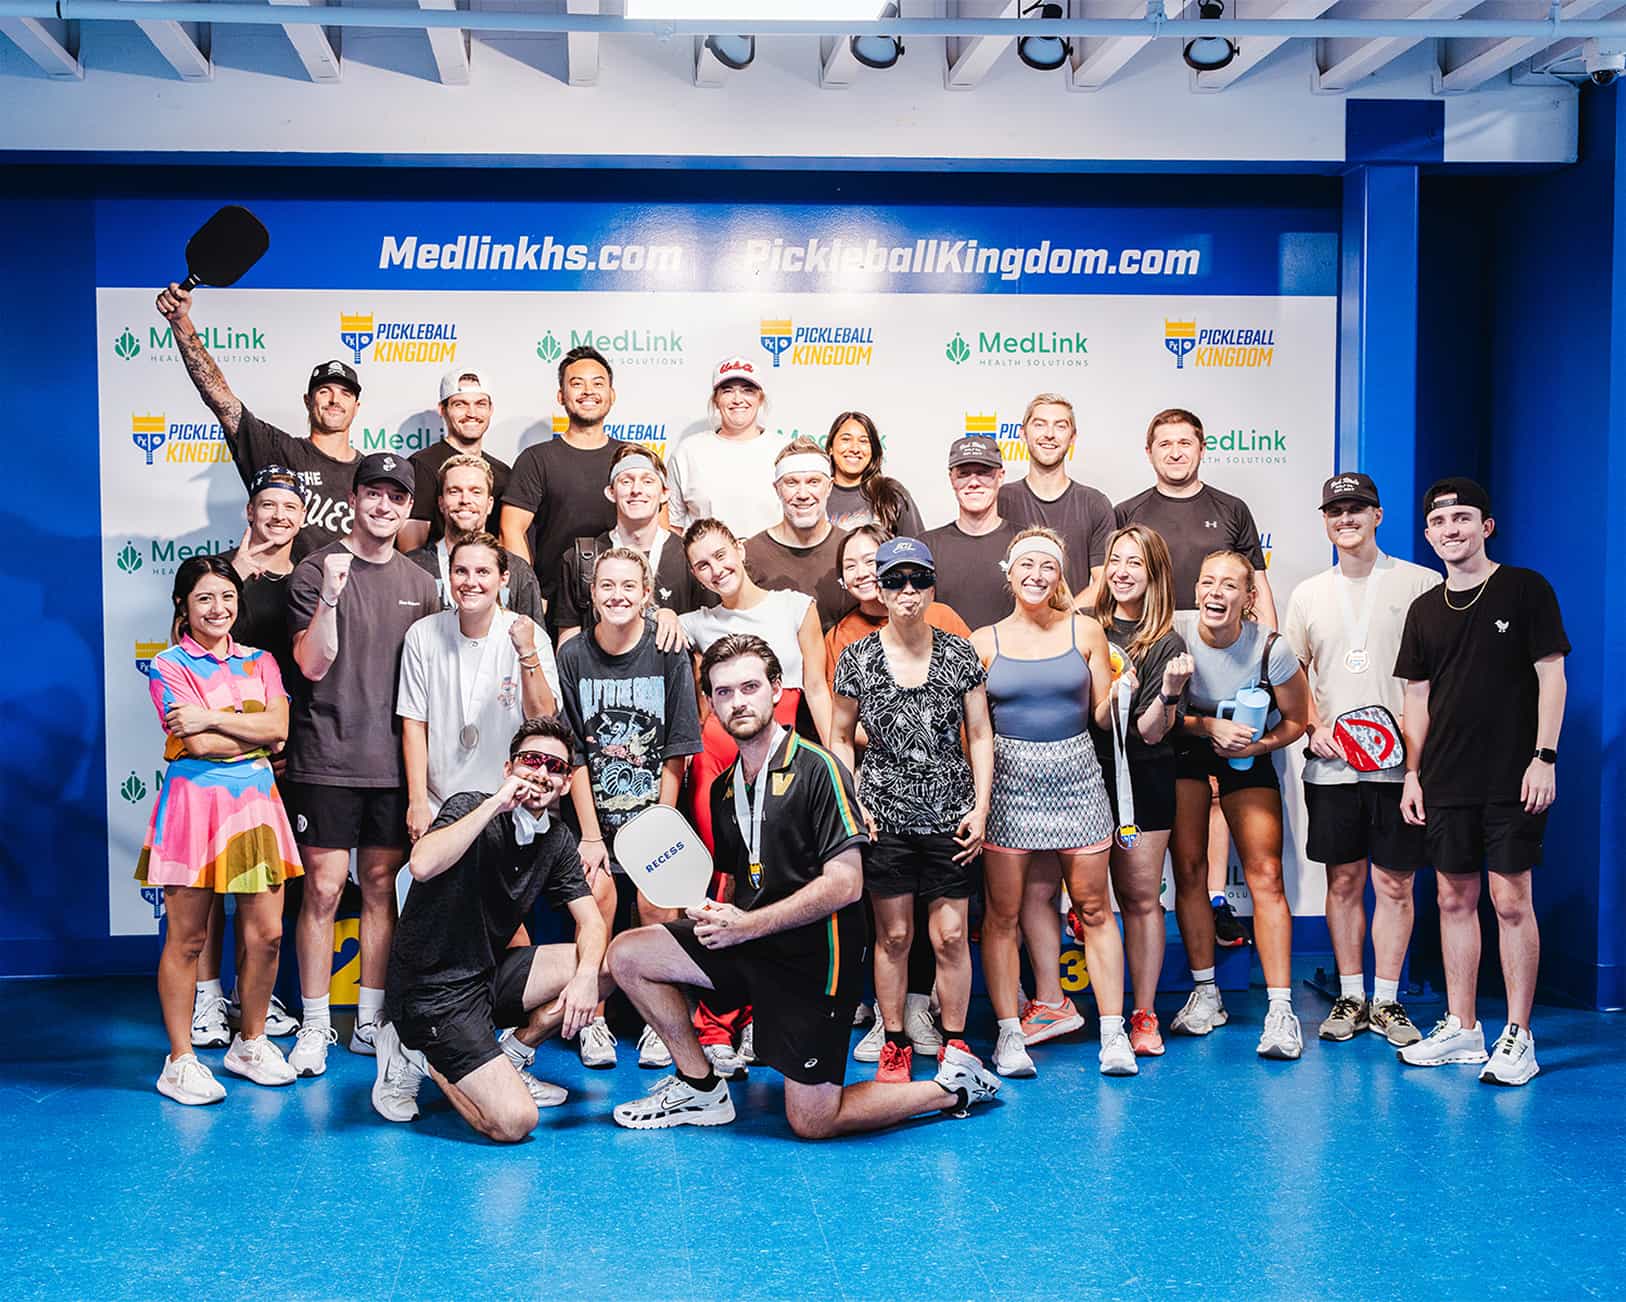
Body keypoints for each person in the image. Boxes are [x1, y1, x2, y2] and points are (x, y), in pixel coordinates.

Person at [607, 634, 1000, 1135]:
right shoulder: (726, 788)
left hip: (815, 964)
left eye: (750, 687)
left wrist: (746, 925)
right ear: (710, 703)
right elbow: (742, 880)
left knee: (813, 1121)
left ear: (776, 690)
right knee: (629, 955)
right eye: (723, 692)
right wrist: (720, 916)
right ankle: (700, 1089)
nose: (738, 701)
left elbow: (846, 885)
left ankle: (953, 1086)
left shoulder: (820, 769)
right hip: (750, 942)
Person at [1394, 478, 1568, 1086]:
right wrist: (1412, 773)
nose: (1452, 530)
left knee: (1510, 900)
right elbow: (1417, 700)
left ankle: (1519, 1035)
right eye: (1440, 522)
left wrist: (1544, 756)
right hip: (1444, 778)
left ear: (1486, 526)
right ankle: (1464, 1026)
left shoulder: (1524, 589)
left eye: (1463, 518)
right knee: (1451, 899)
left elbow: (1553, 678)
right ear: (1427, 534)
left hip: (1514, 778)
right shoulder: (1423, 610)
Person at [370, 717, 610, 1140]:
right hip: (431, 994)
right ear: (508, 769)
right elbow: (422, 865)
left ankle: (514, 1054)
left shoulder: (555, 839)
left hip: (487, 976)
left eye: (554, 767)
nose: (540, 772)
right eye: (530, 760)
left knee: (611, 964)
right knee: (515, 1122)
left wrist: (588, 976)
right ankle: (415, 1051)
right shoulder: (469, 806)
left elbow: (590, 920)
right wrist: (495, 805)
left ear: (566, 783)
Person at [283, 452, 438, 1077]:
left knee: (380, 889)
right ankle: (317, 1026)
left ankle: (370, 1023)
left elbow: (428, 682)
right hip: (324, 758)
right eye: (373, 493)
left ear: (407, 508)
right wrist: (330, 597)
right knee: (321, 890)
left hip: (393, 765)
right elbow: (312, 665)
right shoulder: (314, 569)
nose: (384, 506)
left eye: (396, 498)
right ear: (353, 498)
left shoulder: (423, 584)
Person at [1282, 473, 1440, 1047]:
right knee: (1343, 880)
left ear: (1378, 515)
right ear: (1325, 520)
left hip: (1401, 769)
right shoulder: (1307, 594)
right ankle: (1350, 994)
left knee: (1395, 884)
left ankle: (1389, 1001)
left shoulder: (1422, 583)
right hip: (1331, 766)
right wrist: (1312, 726)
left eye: (1356, 509)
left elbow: (1436, 676)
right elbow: (1291, 675)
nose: (1345, 519)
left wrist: (1418, 744)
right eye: (1335, 511)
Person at [139, 556, 302, 1104]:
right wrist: (247, 733)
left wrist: (209, 717)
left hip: (256, 805)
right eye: (206, 598)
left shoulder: (262, 661)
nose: (219, 609)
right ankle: (180, 1060)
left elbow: (280, 728)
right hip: (193, 805)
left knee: (268, 934)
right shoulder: (167, 665)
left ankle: (250, 1042)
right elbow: (201, 746)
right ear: (184, 606)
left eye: (227, 598)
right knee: (187, 938)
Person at [831, 538, 994, 1082]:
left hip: (951, 814)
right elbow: (838, 738)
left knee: (949, 936)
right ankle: (895, 1038)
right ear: (879, 586)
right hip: (884, 817)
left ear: (931, 587)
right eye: (895, 580)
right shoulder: (856, 657)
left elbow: (979, 734)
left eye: (918, 581)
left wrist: (981, 805)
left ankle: (954, 1042)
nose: (907, 592)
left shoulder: (958, 653)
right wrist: (853, 808)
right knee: (894, 937)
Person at [970, 529, 1131, 1077]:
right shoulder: (982, 642)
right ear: (1008, 573)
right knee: (1003, 914)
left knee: (1093, 908)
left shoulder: (1085, 630)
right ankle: (1010, 1036)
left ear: (1060, 575)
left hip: (1078, 777)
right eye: (1026, 565)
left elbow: (1101, 717)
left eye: (1048, 565)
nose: (1036, 574)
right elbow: (973, 731)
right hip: (1009, 784)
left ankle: (1114, 1035)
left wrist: (1123, 693)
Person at [1116, 408, 1278, 947]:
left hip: (1224, 655)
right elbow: (1116, 581)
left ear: (1202, 447)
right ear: (1149, 451)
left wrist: (1269, 661)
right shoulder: (1128, 510)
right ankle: (1159, 902)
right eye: (1165, 443)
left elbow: (1257, 585)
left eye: (1185, 442)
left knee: (1218, 791)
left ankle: (1214, 898)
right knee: (1171, 775)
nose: (1176, 451)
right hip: (1160, 652)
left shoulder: (1230, 509)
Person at [680, 518, 834, 1072]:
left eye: (722, 555)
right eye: (702, 564)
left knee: (772, 881)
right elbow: (697, 706)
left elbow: (816, 687)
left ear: (740, 548)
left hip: (780, 754)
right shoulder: (691, 623)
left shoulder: (795, 606)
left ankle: (760, 1018)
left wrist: (839, 762)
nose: (716, 569)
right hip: (716, 760)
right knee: (721, 880)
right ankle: (715, 1019)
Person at [556, 547, 704, 1070]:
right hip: (593, 817)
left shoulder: (668, 653)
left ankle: (659, 1023)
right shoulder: (572, 657)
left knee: (657, 908)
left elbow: (677, 750)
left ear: (646, 594)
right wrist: (591, 836)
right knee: (594, 897)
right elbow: (572, 753)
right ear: (592, 595)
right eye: (606, 586)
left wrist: (659, 834)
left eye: (628, 586)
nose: (617, 596)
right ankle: (591, 1020)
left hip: (652, 813)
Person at [1169, 551, 1310, 1059]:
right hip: (1186, 749)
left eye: (1230, 585)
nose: (1215, 593)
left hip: (1247, 758)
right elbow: (1159, 714)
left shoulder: (1271, 648)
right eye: (1207, 582)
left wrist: (1257, 747)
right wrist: (1208, 727)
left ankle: (1279, 1010)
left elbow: (1296, 720)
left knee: (1266, 875)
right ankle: (1207, 995)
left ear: (1249, 599)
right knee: (1188, 872)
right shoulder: (1174, 632)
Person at [189, 465, 308, 1050]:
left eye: (289, 507)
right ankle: (206, 1000)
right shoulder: (221, 578)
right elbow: (192, 676)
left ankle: (249, 999)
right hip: (232, 755)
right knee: (210, 882)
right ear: (250, 512)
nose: (278, 517)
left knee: (264, 885)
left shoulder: (311, 572)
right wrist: (253, 739)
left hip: (293, 746)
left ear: (304, 516)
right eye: (267, 505)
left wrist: (280, 740)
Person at [155, 282, 361, 558]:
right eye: (324, 391)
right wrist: (181, 323)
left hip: (346, 600)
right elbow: (220, 399)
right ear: (308, 401)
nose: (335, 400)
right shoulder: (277, 451)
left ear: (356, 406)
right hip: (279, 596)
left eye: (345, 393)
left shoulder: (370, 475)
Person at [1091, 524, 1194, 1057]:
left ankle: (1145, 1012)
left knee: (1139, 899)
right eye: (1116, 561)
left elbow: (1152, 731)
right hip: (1083, 781)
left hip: (1144, 785)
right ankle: (1086, 1009)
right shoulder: (1086, 629)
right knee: (1089, 901)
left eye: (1135, 563)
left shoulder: (1166, 643)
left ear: (1154, 574)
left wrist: (1170, 694)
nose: (1123, 571)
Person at [398, 531, 560, 841]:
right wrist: (417, 802)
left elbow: (543, 719)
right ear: (449, 576)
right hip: (440, 804)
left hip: (511, 801)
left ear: (504, 578)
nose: (470, 581)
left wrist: (527, 652)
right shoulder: (423, 635)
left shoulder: (529, 633)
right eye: (461, 571)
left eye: (483, 571)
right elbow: (413, 725)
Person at [501, 346, 627, 631]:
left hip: (624, 602)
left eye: (598, 383)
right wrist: (530, 596)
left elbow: (659, 532)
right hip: (553, 607)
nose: (588, 391)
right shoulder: (536, 459)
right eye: (576, 383)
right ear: (561, 396)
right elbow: (512, 530)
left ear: (612, 394)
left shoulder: (632, 459)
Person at [555, 445, 705, 644]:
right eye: (626, 481)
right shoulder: (581, 559)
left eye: (648, 481)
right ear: (611, 492)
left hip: (670, 672)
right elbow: (568, 643)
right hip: (600, 672)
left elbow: (705, 640)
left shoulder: (690, 555)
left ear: (665, 493)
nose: (636, 490)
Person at [996, 394, 1115, 603]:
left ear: (1073, 437)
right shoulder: (1000, 500)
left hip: (1070, 631)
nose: (1049, 434)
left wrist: (1063, 621)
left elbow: (1103, 581)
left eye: (1060, 426)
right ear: (1023, 434)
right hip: (1009, 629)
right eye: (1040, 425)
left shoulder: (1095, 504)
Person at [405, 454, 544, 623]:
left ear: (490, 504)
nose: (465, 500)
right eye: (454, 491)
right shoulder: (412, 567)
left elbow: (536, 641)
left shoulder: (517, 570)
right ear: (441, 503)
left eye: (476, 492)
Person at [398, 367, 512, 555]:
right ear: (442, 409)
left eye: (480, 404)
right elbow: (412, 554)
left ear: (491, 409)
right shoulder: (421, 466)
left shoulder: (503, 473)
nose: (472, 413)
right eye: (460, 404)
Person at [667, 357, 785, 539]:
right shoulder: (688, 452)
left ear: (760, 398)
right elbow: (674, 526)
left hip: (772, 564)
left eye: (748, 391)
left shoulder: (783, 450)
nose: (738, 399)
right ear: (716, 399)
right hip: (706, 565)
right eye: (728, 391)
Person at [743, 438, 853, 631]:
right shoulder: (750, 555)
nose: (803, 494)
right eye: (791, 483)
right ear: (777, 489)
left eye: (813, 482)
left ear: (829, 487)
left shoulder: (853, 548)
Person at [922, 435, 1019, 631]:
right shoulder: (926, 546)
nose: (973, 482)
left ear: (1000, 476)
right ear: (952, 478)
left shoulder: (1025, 543)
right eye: (964, 474)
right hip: (946, 660)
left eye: (983, 473)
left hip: (1014, 659)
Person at [824, 411, 924, 536]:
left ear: (873, 450)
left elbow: (915, 549)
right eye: (846, 439)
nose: (855, 449)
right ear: (830, 448)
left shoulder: (891, 493)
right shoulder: (816, 494)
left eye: (863, 441)